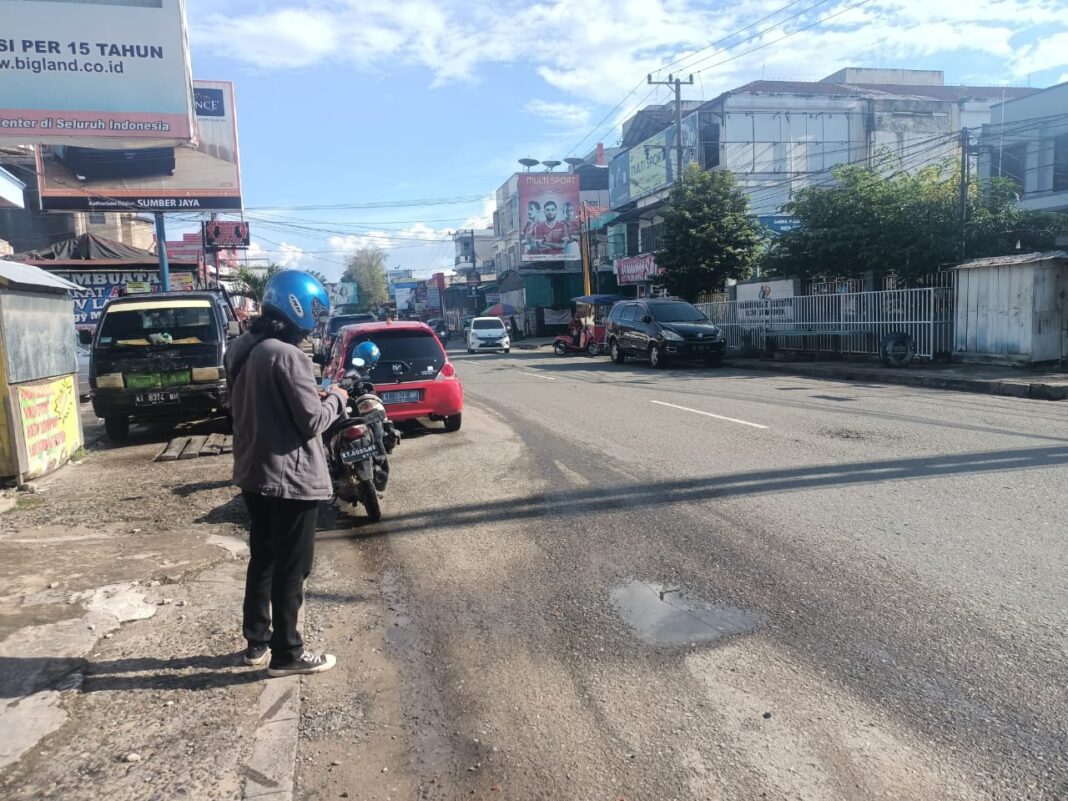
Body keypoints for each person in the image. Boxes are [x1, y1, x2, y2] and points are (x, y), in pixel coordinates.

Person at [225, 270, 348, 677]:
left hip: (253, 472)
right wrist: (338, 399)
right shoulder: (287, 355)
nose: (316, 318)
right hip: (290, 480)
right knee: (292, 568)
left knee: (263, 558)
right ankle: (287, 654)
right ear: (297, 307)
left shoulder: (241, 346)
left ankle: (255, 642)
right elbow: (312, 421)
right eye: (314, 310)